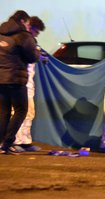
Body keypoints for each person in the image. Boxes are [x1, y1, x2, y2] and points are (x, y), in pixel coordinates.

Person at [0, 10, 40, 154]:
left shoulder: (1, 33)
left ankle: (1, 145)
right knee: (21, 110)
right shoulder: (23, 36)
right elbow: (31, 57)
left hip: (1, 79)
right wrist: (37, 52)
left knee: (4, 112)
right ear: (23, 21)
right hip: (16, 79)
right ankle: (8, 143)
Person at [13, 16, 46, 152]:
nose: (36, 35)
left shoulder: (29, 40)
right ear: (30, 27)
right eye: (36, 31)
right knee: (18, 113)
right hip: (20, 82)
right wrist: (38, 55)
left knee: (28, 113)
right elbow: (29, 56)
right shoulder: (22, 39)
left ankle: (25, 141)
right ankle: (16, 141)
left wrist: (39, 55)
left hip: (27, 83)